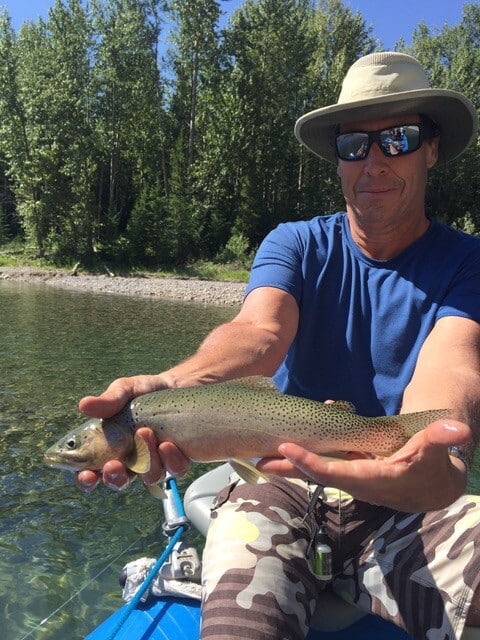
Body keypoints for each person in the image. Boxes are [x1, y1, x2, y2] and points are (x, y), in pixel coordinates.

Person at [77, 52, 480, 639]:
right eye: (353, 145)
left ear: (432, 148)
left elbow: (451, 367)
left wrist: (431, 456)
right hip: (278, 482)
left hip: (402, 502)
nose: (372, 162)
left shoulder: (469, 264)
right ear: (337, 159)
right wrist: (174, 384)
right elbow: (258, 333)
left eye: (397, 138)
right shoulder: (295, 243)